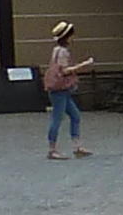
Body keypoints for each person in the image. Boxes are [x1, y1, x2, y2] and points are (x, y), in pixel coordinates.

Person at [40, 22, 94, 159]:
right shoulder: (63, 52)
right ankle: (53, 150)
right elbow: (64, 71)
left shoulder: (56, 50)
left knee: (74, 115)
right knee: (57, 118)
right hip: (60, 89)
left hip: (59, 89)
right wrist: (84, 64)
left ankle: (76, 147)